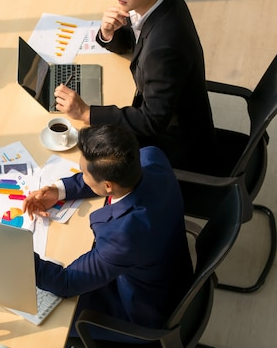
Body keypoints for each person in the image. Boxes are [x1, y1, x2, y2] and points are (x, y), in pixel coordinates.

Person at [53, 0, 215, 171]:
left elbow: (152, 122)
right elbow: (136, 40)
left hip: (173, 147)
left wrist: (87, 113)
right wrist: (109, 33)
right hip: (173, 114)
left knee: (85, 158)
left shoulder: (164, 47)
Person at [23, 124, 193, 344]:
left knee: (43, 317)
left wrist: (17, 254)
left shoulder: (125, 236)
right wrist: (60, 190)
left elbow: (66, 283)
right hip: (168, 268)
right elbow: (112, 178)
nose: (82, 177)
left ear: (108, 185)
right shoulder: (152, 157)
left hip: (139, 311)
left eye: (83, 173)